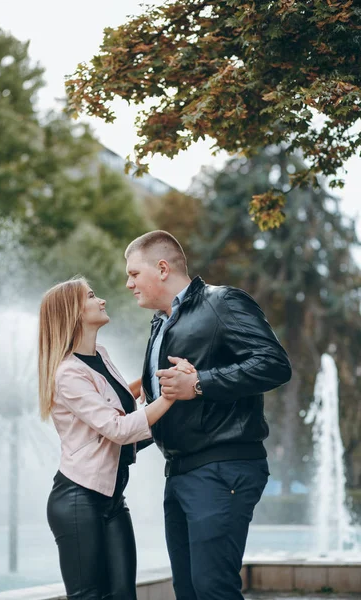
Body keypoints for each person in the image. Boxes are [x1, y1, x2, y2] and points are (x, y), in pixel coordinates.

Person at [124, 231, 292, 600]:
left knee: (212, 590)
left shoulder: (224, 302)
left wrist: (200, 382)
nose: (128, 283)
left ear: (163, 268)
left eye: (134, 274)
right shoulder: (160, 323)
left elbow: (275, 364)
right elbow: (171, 402)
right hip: (181, 473)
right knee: (189, 591)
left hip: (222, 468)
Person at [38, 276, 193, 600]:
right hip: (78, 500)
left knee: (124, 595)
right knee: (89, 596)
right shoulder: (68, 373)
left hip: (111, 498)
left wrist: (160, 376)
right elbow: (119, 429)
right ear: (74, 312)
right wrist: (170, 396)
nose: (102, 300)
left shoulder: (101, 355)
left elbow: (124, 400)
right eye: (92, 296)